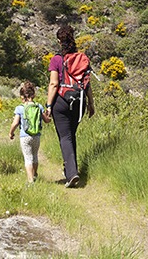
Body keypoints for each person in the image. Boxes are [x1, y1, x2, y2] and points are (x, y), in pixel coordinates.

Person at [45, 24, 95, 188]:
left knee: (64, 137)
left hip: (62, 101)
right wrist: (91, 103)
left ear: (59, 41)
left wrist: (48, 105)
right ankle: (70, 169)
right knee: (71, 135)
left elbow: (53, 84)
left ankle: (72, 173)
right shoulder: (82, 58)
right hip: (79, 100)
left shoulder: (57, 59)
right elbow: (87, 83)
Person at [9, 80, 50, 184]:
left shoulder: (20, 108)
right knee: (35, 156)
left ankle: (30, 181)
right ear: (33, 94)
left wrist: (11, 133)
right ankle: (35, 174)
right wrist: (49, 116)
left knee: (28, 158)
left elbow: (15, 123)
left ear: (23, 96)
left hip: (25, 136)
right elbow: (46, 120)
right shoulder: (39, 106)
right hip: (36, 136)